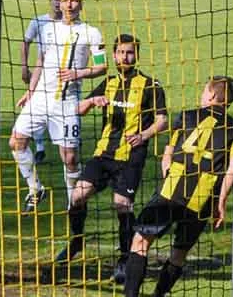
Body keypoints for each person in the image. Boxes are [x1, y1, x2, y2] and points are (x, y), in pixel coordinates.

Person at [102, 76, 233, 297]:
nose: (202, 95)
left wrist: (168, 178)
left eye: (205, 91)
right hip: (203, 198)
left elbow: (167, 156)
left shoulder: (186, 116)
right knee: (179, 252)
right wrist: (221, 202)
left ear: (214, 96)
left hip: (171, 190)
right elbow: (231, 171)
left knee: (141, 241)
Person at [47, 34, 168, 284]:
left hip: (131, 157)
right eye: (121, 52)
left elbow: (163, 120)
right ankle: (77, 240)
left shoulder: (150, 85)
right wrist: (92, 100)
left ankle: (125, 258)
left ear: (137, 55)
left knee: (122, 204)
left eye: (130, 52)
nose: (125, 57)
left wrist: (144, 135)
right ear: (113, 55)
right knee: (77, 196)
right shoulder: (109, 83)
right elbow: (78, 109)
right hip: (103, 154)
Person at [10, 0, 106, 212]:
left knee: (70, 157)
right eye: (65, 0)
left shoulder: (91, 32)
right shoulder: (48, 29)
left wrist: (78, 73)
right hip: (40, 98)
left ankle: (74, 201)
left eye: (74, 1)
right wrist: (30, 92)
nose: (69, 5)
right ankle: (35, 188)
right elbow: (40, 62)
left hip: (67, 101)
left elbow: (102, 66)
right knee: (16, 141)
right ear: (59, 3)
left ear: (80, 4)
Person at [21, 0, 62, 165]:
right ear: (50, 0)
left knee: (58, 110)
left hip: (61, 76)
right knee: (34, 107)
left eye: (61, 0)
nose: (58, 3)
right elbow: (25, 43)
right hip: (40, 73)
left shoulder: (68, 25)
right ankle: (39, 148)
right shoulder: (39, 21)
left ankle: (68, 144)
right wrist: (24, 67)